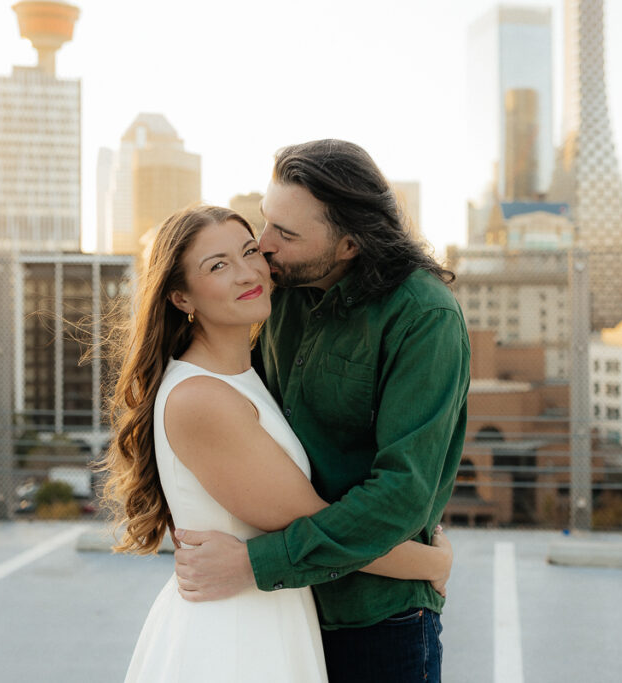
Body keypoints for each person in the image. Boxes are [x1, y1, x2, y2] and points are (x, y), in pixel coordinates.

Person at [99, 205, 454, 682]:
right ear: (181, 297)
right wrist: (431, 562)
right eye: (218, 265)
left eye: (250, 252)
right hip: (236, 639)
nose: (247, 273)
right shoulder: (201, 398)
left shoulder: (246, 375)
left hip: (269, 622)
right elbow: (317, 523)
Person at [172, 140, 471, 682]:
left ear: (350, 243)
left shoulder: (424, 318)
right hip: (282, 613)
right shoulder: (277, 291)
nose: (264, 246)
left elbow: (401, 496)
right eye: (266, 221)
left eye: (285, 234)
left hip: (377, 618)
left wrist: (256, 563)